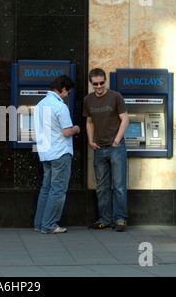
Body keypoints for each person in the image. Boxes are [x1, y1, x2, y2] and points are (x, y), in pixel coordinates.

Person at [83, 68, 129, 232]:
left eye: (102, 82)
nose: (99, 86)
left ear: (105, 81)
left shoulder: (116, 97)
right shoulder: (88, 100)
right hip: (99, 148)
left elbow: (125, 120)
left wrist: (117, 140)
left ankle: (120, 219)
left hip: (116, 148)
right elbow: (89, 122)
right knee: (102, 187)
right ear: (91, 83)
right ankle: (105, 219)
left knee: (119, 185)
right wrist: (91, 141)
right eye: (95, 84)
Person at [33, 75, 80, 234]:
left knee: (46, 188)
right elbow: (67, 132)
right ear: (63, 89)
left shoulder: (40, 105)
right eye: (68, 92)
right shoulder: (60, 107)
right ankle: (49, 224)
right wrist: (77, 128)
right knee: (57, 190)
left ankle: (39, 224)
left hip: (46, 153)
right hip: (60, 153)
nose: (68, 95)